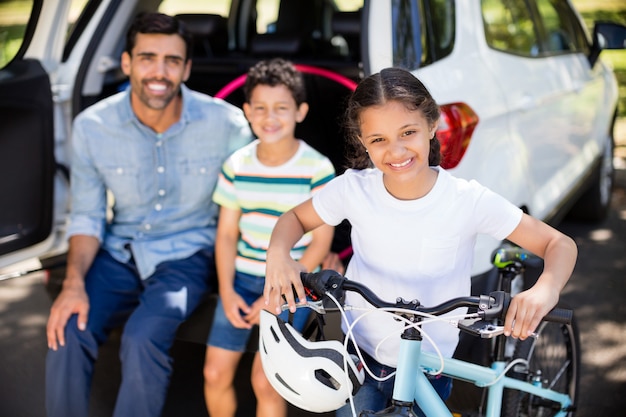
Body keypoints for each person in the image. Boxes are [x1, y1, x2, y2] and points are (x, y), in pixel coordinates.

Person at [263, 67, 578, 416]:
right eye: (378, 139)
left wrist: (545, 288)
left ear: (432, 125)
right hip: (361, 353)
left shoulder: (466, 200)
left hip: (429, 361)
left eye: (408, 132)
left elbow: (559, 244)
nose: (396, 151)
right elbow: (293, 219)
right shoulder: (354, 190)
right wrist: (279, 255)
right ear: (363, 141)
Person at [45, 12, 253, 417]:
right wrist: (73, 283)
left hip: (188, 255)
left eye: (172, 60)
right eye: (147, 57)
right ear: (126, 63)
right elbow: (87, 215)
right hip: (119, 250)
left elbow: (255, 201)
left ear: (187, 68)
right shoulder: (92, 127)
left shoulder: (226, 124)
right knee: (67, 330)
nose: (159, 71)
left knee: (142, 337)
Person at [203, 58, 336, 417]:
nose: (269, 117)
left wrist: (278, 292)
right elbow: (227, 234)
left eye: (281, 108)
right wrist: (227, 290)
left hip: (293, 283)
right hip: (244, 280)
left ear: (300, 111)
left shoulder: (317, 168)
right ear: (246, 111)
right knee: (214, 372)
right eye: (259, 108)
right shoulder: (237, 164)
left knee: (266, 380)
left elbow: (321, 243)